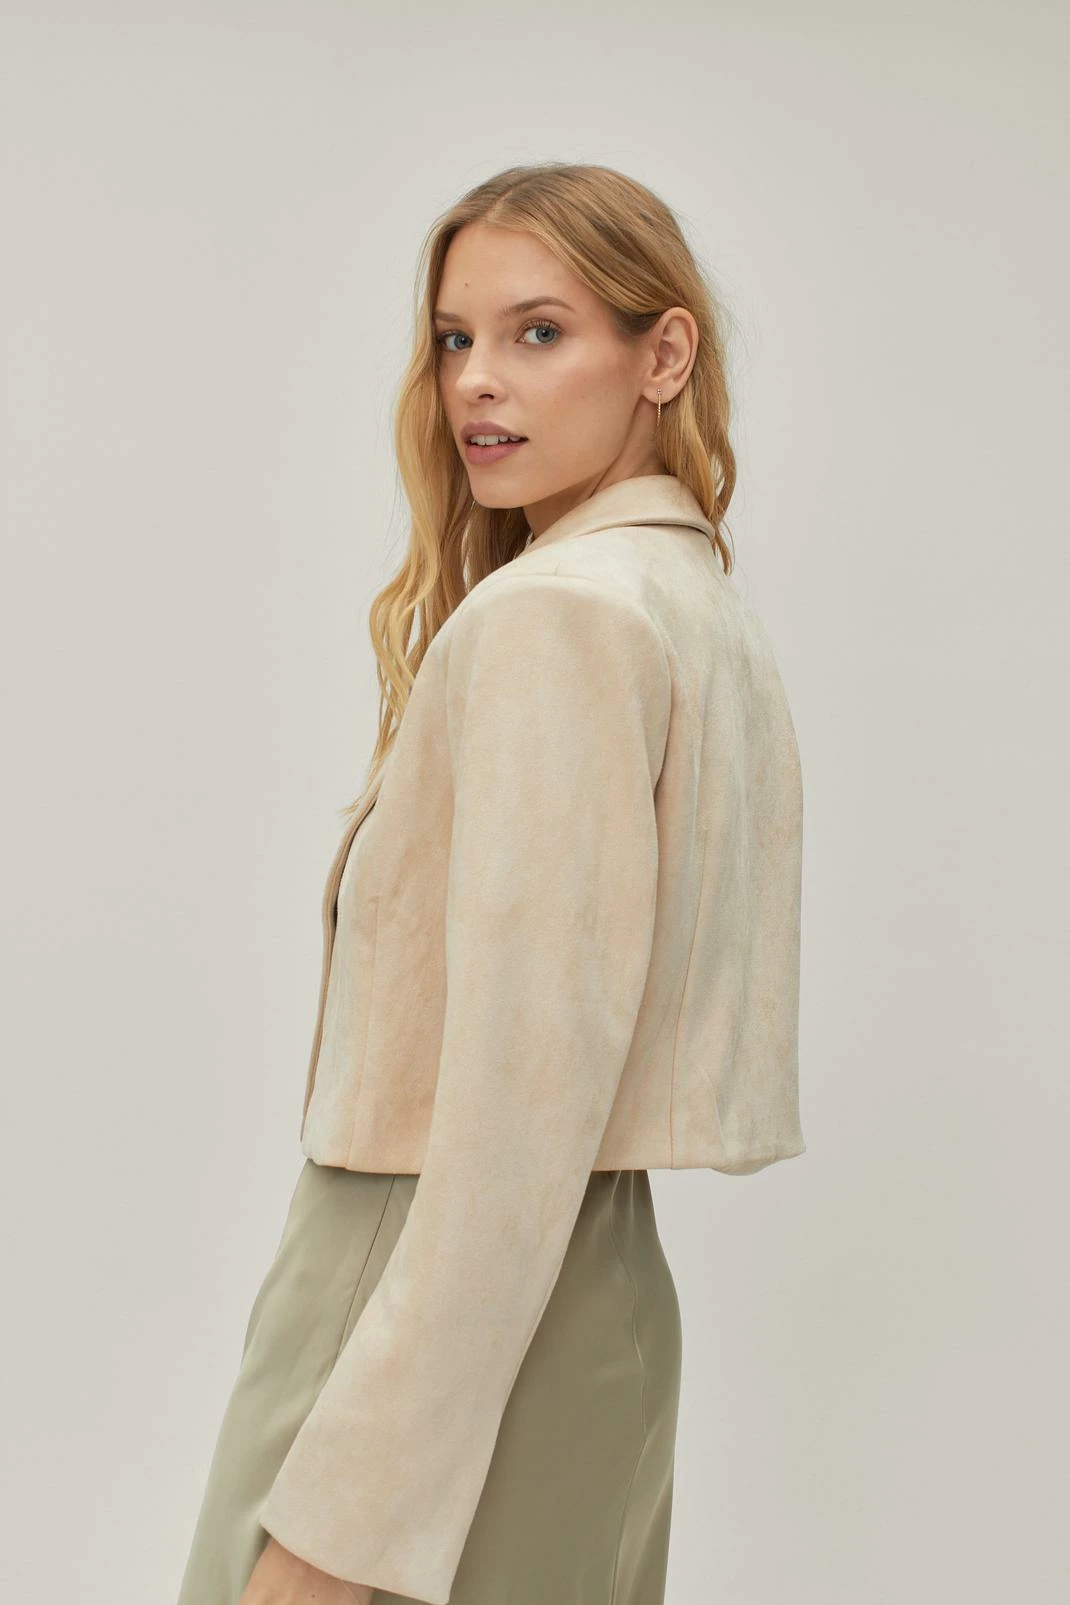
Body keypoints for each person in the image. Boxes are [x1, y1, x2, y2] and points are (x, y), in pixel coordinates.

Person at [176, 160, 806, 1605]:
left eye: (538, 332)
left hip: (425, 1306)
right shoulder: (688, 604)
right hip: (591, 1307)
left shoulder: (558, 622)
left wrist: (340, 1529)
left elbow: (521, 1099)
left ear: (663, 355)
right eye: (456, 337)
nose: (475, 381)